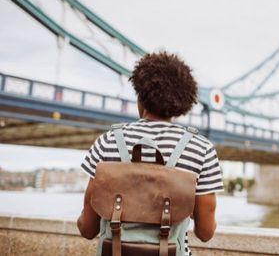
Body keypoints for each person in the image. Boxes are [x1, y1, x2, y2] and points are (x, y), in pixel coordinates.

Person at [77, 51, 224, 256]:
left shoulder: (108, 141)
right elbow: (206, 232)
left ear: (140, 95)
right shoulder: (202, 149)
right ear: (183, 104)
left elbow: (87, 228)